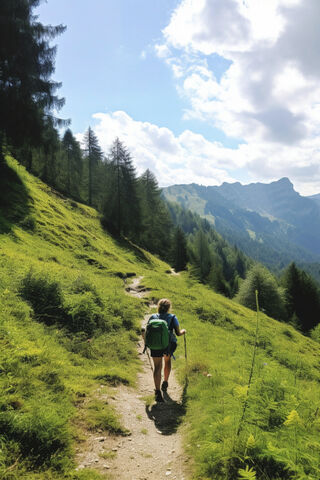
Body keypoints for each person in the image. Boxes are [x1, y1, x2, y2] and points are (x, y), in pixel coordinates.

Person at [143, 298, 186, 403]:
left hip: (155, 345)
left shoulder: (153, 317)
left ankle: (157, 392)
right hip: (168, 345)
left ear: (158, 307)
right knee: (167, 361)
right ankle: (165, 382)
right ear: (169, 308)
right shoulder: (172, 317)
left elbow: (147, 332)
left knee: (157, 367)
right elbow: (178, 333)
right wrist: (184, 331)